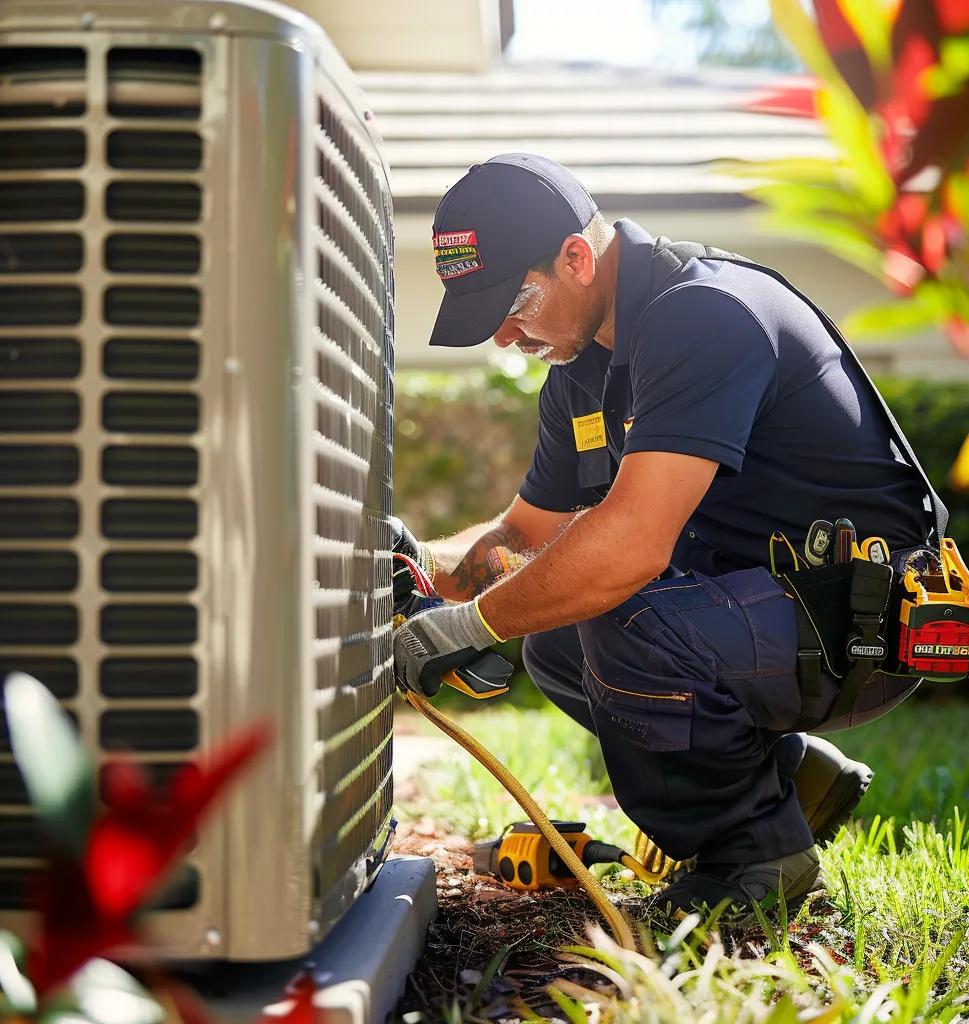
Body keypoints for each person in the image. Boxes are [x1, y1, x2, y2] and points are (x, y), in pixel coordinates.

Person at [391, 153, 933, 914]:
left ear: (577, 258)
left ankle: (756, 861)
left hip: (870, 619)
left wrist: (465, 626)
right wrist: (414, 568)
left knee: (614, 604)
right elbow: (523, 534)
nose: (506, 338)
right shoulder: (579, 368)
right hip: (772, 607)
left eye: (513, 304)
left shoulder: (701, 313)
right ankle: (786, 782)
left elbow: (631, 547)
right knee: (556, 635)